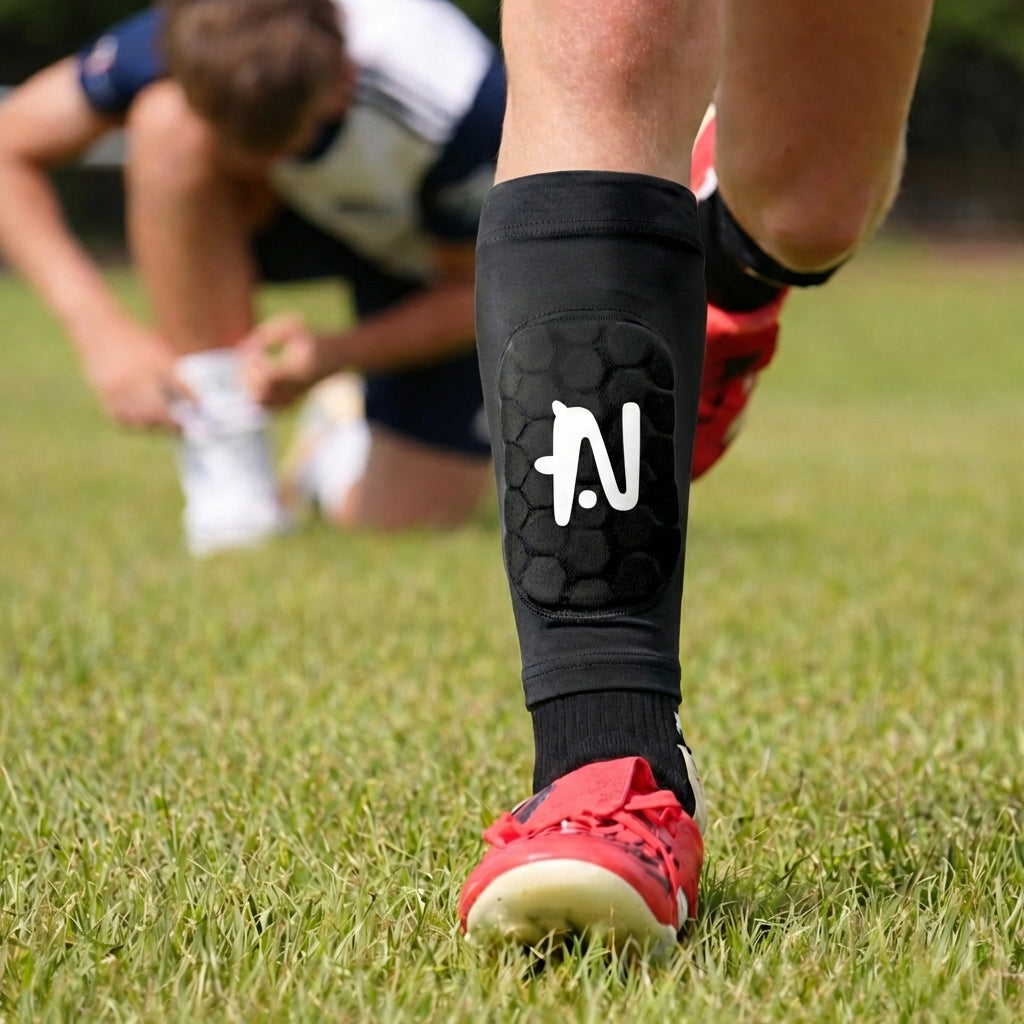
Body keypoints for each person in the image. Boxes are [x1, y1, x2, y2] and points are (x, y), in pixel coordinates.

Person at [457, 0, 935, 954]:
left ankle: (712, 278)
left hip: (783, 217)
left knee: (809, 203)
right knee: (607, 42)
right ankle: (606, 772)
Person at [0, 0, 503, 555]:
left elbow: (482, 290)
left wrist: (339, 352)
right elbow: (7, 149)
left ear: (344, 80)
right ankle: (230, 470)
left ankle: (335, 431)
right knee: (168, 123)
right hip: (279, 218)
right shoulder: (195, 36)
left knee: (403, 521)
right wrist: (102, 336)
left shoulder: (459, 101)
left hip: (430, 263)